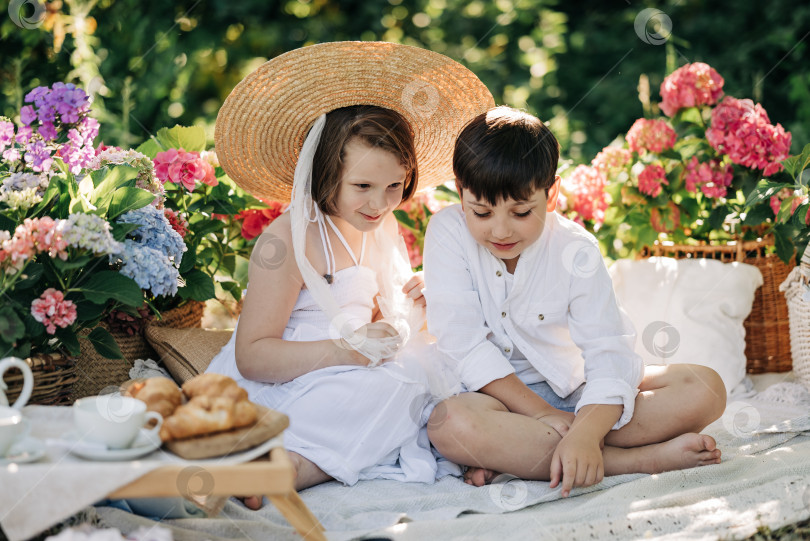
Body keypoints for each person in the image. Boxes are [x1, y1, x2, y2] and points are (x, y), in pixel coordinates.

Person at [205, 41, 494, 505]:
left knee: (429, 379)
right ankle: (278, 461)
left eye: (394, 187)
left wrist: (413, 306)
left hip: (354, 367)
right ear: (325, 174)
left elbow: (384, 316)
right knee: (389, 390)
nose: (379, 204)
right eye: (362, 186)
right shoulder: (288, 239)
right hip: (290, 375)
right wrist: (349, 350)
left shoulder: (379, 225)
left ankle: (288, 466)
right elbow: (253, 357)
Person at [422, 106, 727, 497]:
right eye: (480, 211)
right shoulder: (447, 232)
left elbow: (608, 351)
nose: (500, 229)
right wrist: (544, 415)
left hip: (576, 389)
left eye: (520, 212)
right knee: (449, 424)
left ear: (552, 196)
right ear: (461, 194)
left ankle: (530, 456)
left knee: (706, 386)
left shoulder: (576, 248)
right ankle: (637, 461)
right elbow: (461, 342)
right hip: (495, 401)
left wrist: (585, 427)